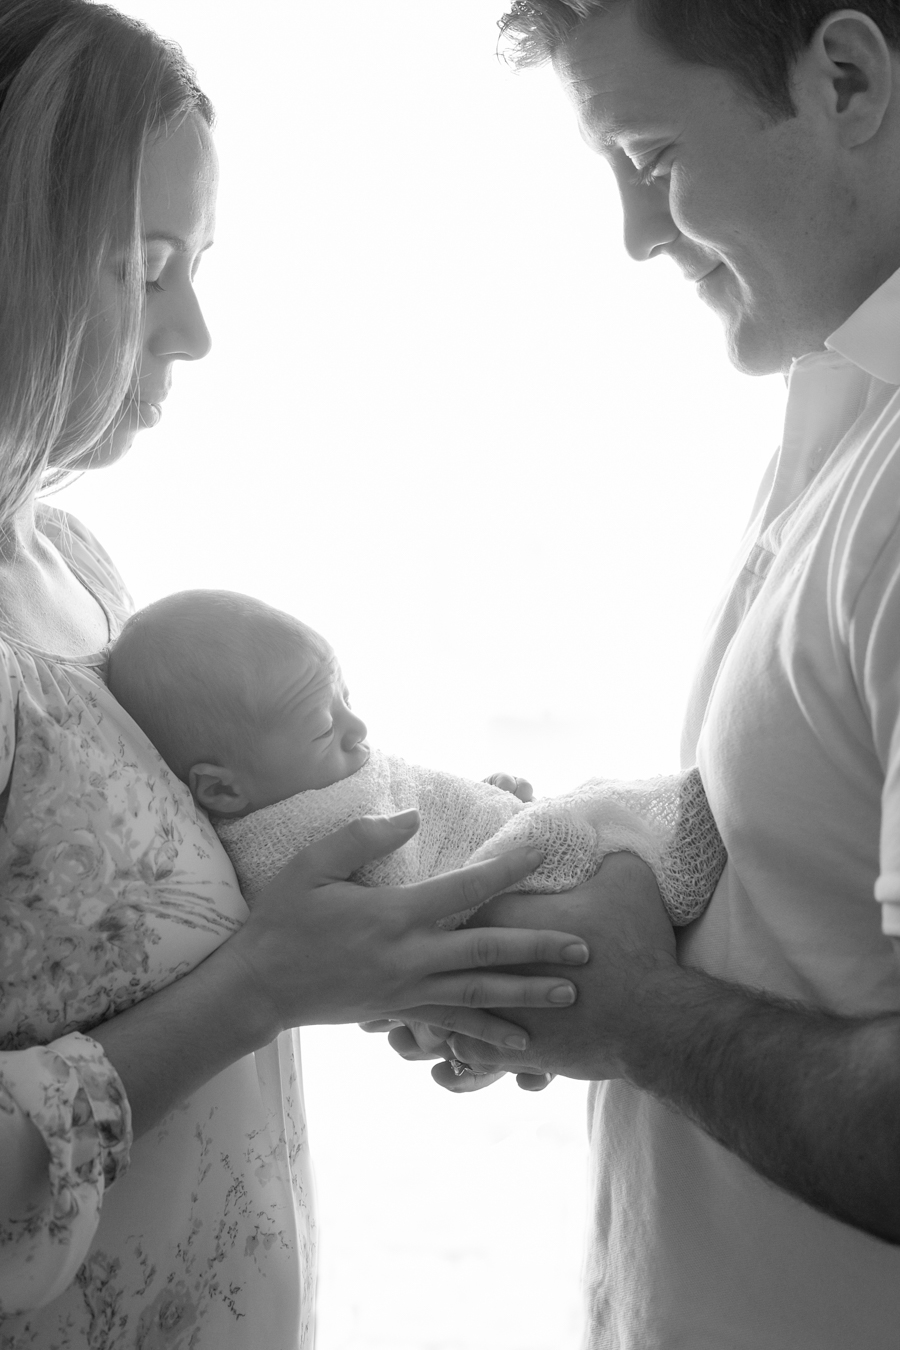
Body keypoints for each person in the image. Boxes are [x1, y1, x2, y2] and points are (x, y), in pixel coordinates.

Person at [0, 4, 597, 1345]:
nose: (196, 328)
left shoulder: (78, 569)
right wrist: (268, 988)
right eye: (146, 264)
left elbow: (164, 925)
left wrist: (394, 927)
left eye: (197, 259)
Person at [386, 3, 900, 1347]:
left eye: (655, 157)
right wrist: (585, 871)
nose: (635, 233)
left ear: (848, 79)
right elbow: (815, 858)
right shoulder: (841, 407)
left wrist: (626, 1012)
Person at [103, 587, 725, 921]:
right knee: (613, 825)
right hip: (535, 903)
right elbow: (408, 906)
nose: (359, 727)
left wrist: (478, 807)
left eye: (346, 697)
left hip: (520, 858)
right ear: (222, 791)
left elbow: (422, 821)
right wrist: (490, 840)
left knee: (605, 807)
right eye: (325, 728)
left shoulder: (307, 779)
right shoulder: (284, 849)